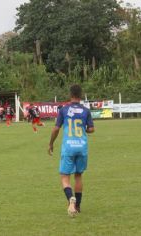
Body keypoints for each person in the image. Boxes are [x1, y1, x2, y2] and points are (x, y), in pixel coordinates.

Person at [48, 85, 94, 217]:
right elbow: (91, 129)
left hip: (68, 146)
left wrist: (51, 143)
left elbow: (56, 129)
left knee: (64, 176)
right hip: (82, 146)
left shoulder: (64, 110)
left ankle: (71, 200)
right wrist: (83, 129)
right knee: (78, 175)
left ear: (70, 95)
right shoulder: (86, 110)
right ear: (81, 95)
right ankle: (78, 206)